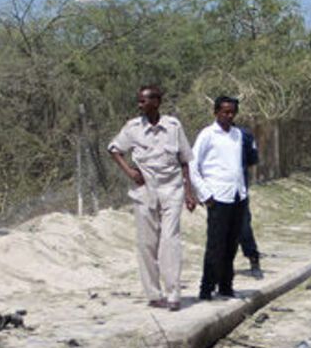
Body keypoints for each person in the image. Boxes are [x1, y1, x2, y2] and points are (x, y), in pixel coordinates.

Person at [108, 84, 197, 311]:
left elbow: (185, 159)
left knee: (170, 240)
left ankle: (173, 293)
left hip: (172, 189)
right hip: (145, 191)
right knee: (146, 243)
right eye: (139, 101)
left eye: (144, 101)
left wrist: (189, 192)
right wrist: (130, 172)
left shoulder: (173, 126)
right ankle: (153, 293)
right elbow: (114, 149)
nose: (140, 105)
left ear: (156, 102)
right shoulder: (133, 128)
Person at [189, 96, 258, 301]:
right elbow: (193, 166)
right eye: (225, 112)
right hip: (217, 197)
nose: (229, 116)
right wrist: (205, 193)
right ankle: (206, 288)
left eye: (232, 112)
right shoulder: (207, 135)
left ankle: (226, 286)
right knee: (215, 245)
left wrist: (242, 191)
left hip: (238, 195)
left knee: (232, 244)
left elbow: (241, 164)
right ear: (216, 112)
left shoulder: (238, 135)